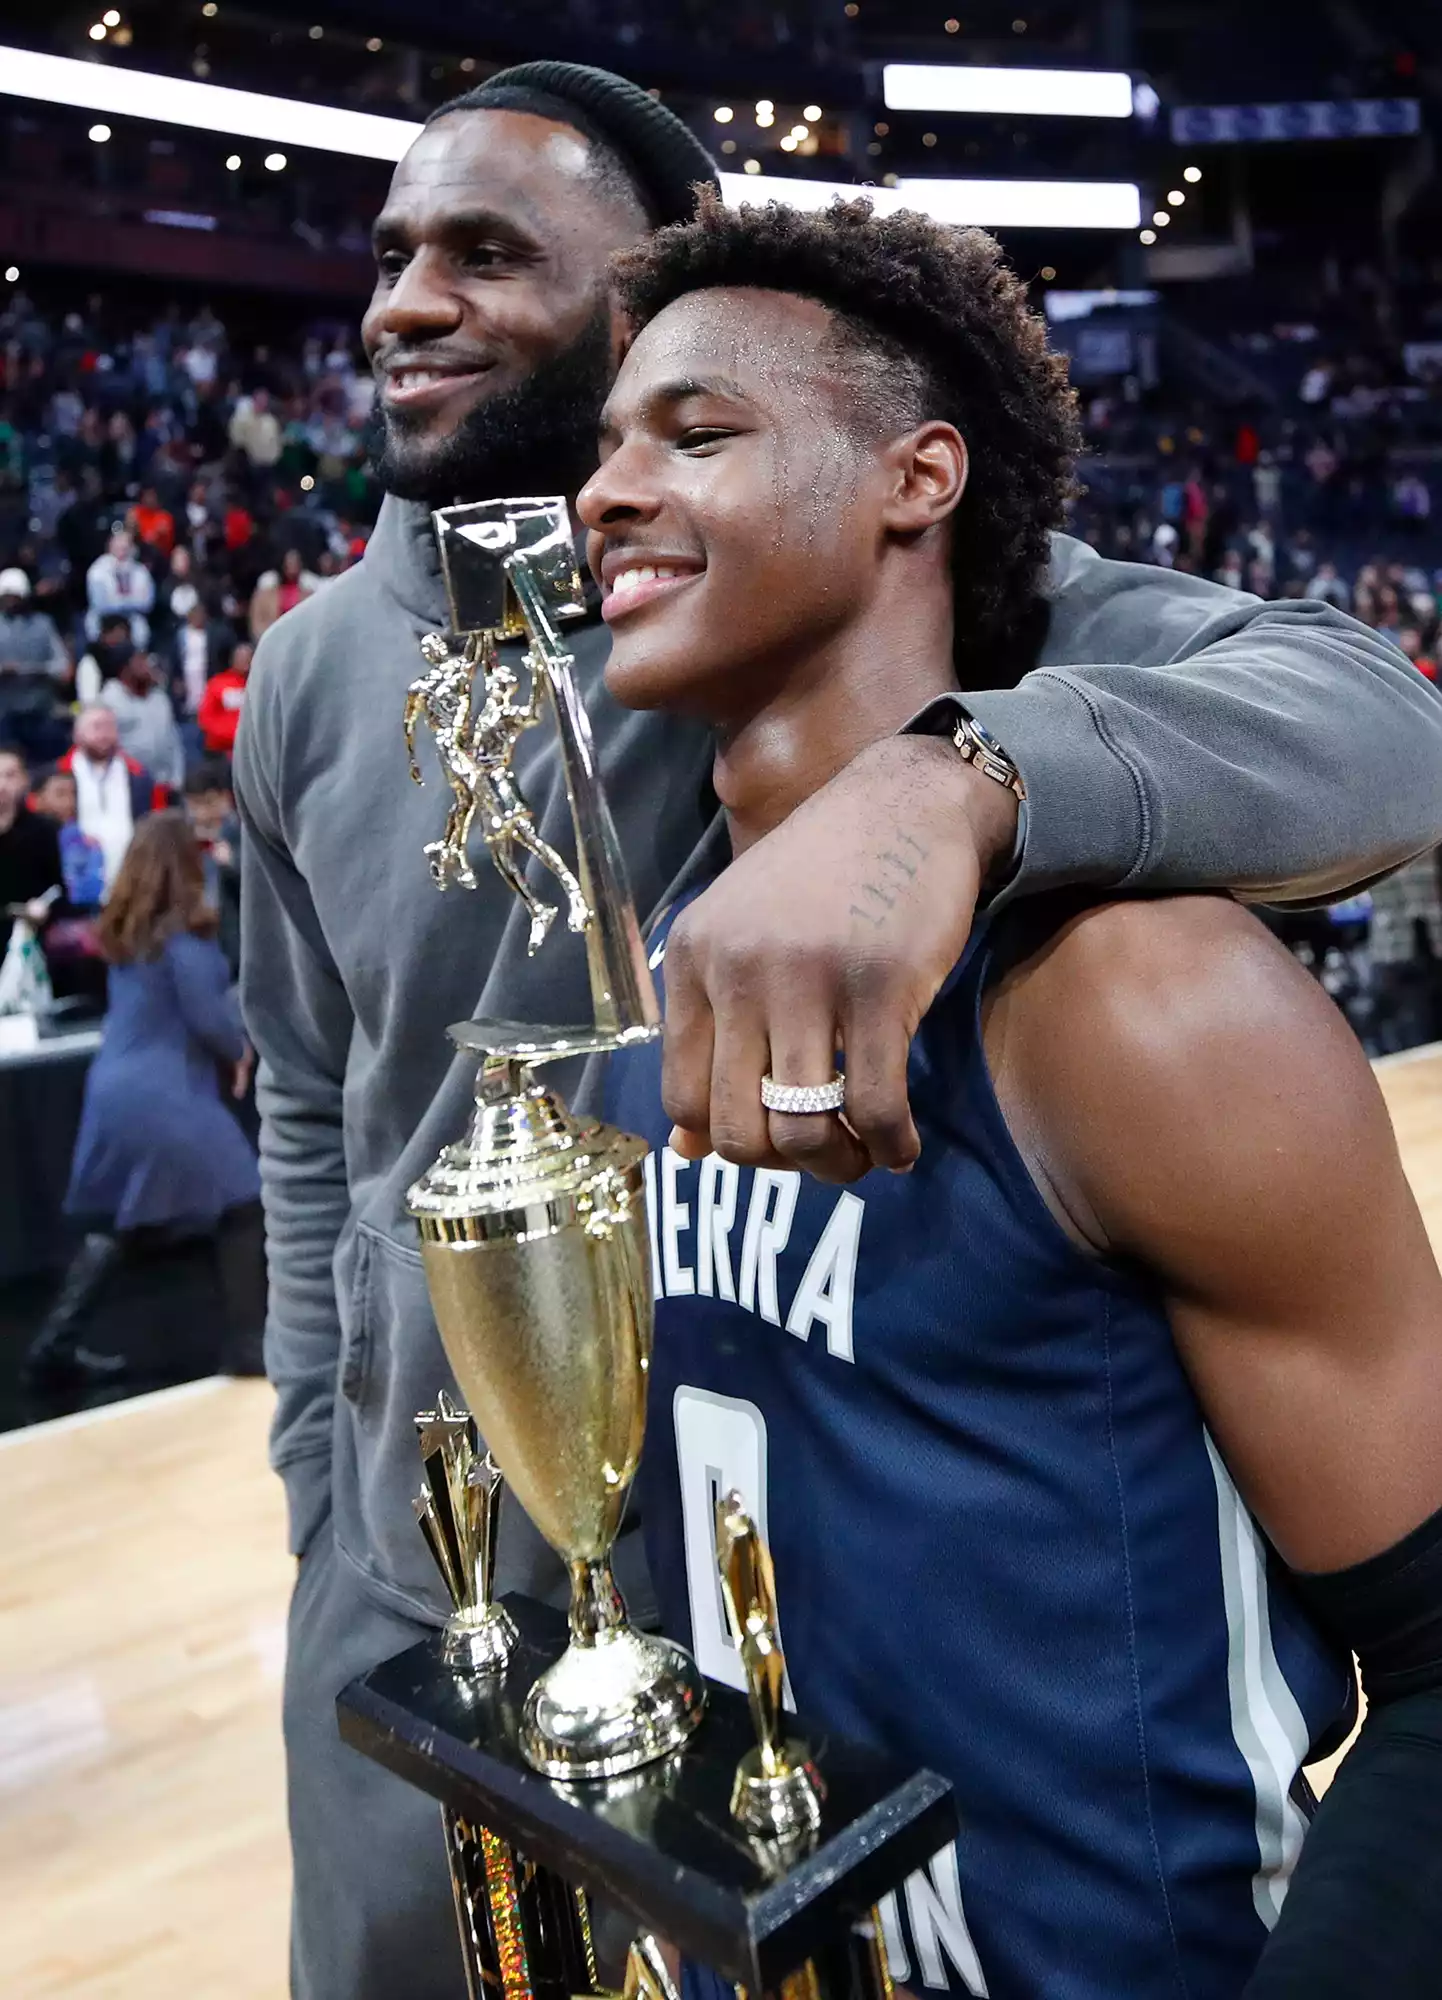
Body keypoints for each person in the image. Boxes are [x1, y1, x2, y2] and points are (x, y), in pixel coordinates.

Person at [233, 63, 1442, 2000]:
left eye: (490, 255)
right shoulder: (313, 670)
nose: (407, 305)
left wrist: (946, 777)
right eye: (387, 256)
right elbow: (306, 1102)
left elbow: (1377, 713)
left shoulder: (1072, 884)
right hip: (487, 1629)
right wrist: (325, 1462)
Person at [587, 192, 1442, 2000]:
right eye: (606, 446)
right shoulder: (646, 981)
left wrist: (945, 784)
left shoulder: (1134, 997)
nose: (607, 493)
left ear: (917, 480)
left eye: (698, 433)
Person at [22, 812, 263, 1389]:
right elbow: (210, 1020)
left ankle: (53, 1348)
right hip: (164, 1095)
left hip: (115, 1087)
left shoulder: (127, 933)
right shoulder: (184, 937)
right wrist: (239, 1050)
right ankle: (249, 1344)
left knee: (135, 1222)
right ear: (186, 863)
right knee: (241, 1201)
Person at [58, 705, 165, 894]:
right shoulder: (58, 777)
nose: (104, 735)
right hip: (77, 881)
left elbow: (156, 823)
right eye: (97, 727)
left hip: (131, 879)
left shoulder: (140, 776)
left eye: (110, 727)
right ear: (77, 733)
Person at [0, 745, 63, 960]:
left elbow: (59, 886)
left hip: (32, 937)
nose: (2, 785)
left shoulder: (44, 829)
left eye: (10, 775)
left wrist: (45, 907)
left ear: (24, 780)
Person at [0, 566, 70, 757]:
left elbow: (61, 665)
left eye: (15, 597)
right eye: (6, 597)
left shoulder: (43, 624)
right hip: (4, 711)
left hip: (40, 708)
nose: (10, 602)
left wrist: (42, 670)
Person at [183, 758, 241, 978]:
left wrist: (232, 862)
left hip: (237, 941)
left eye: (208, 803)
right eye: (194, 805)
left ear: (225, 798)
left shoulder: (244, 833)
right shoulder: (182, 839)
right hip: (200, 943)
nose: (202, 813)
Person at [99, 649, 185, 794]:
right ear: (125, 669)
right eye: (140, 662)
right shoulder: (109, 700)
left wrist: (177, 779)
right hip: (127, 785)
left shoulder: (160, 698)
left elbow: (173, 741)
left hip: (164, 784)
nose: (147, 667)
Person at [85, 528, 156, 646]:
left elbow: (147, 603)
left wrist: (118, 602)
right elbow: (100, 604)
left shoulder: (140, 571)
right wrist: (128, 602)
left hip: (131, 618)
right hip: (105, 619)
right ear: (110, 544)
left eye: (126, 544)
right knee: (93, 622)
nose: (122, 547)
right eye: (119, 542)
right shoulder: (97, 570)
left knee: (141, 628)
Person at [196, 639, 251, 758]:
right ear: (233, 659)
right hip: (220, 753)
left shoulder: (257, 686)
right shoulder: (217, 684)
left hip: (249, 752)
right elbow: (205, 719)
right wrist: (234, 736)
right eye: (241, 657)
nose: (245, 661)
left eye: (248, 657)